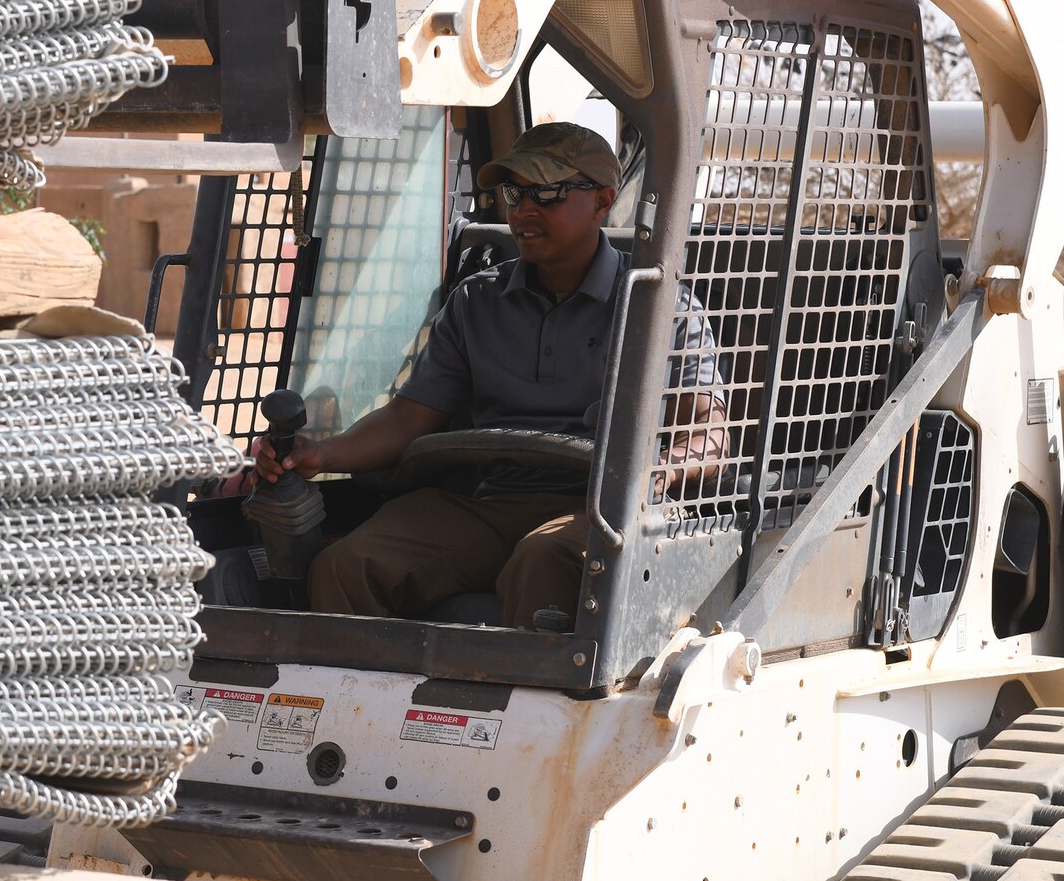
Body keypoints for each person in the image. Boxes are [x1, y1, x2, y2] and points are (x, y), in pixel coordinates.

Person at [255, 122, 725, 629]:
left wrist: (663, 470)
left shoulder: (658, 307)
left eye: (547, 192)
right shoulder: (476, 301)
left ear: (603, 200)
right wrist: (323, 453)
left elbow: (710, 430)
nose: (523, 210)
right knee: (346, 567)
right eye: (513, 193)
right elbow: (409, 418)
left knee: (542, 563)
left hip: (599, 506)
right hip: (489, 500)